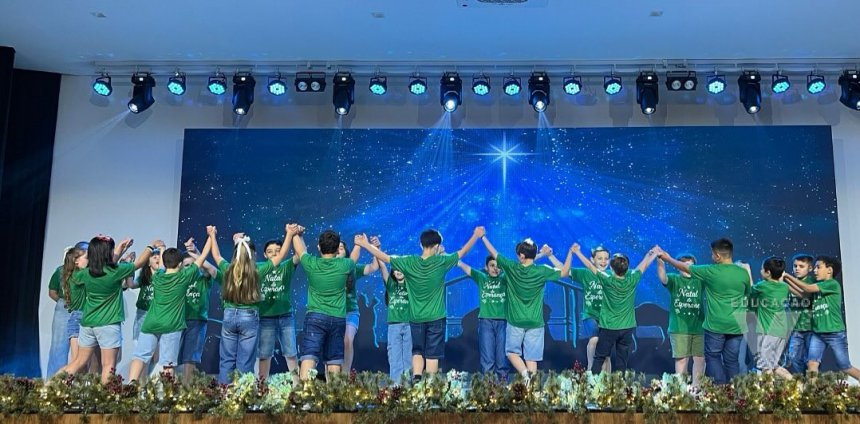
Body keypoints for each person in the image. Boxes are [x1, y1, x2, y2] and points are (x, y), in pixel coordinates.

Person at [354, 226, 484, 379]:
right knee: (432, 355)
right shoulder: (441, 261)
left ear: (421, 245)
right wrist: (476, 235)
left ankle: (416, 378)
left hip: (416, 318)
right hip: (436, 318)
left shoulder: (410, 262)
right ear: (436, 246)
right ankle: (430, 385)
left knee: (417, 351)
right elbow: (463, 252)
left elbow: (385, 258)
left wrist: (365, 244)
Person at [60, 235, 155, 384]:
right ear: (107, 254)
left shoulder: (85, 273)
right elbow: (139, 263)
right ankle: (105, 397)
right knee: (108, 365)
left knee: (78, 362)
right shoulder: (116, 271)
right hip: (108, 324)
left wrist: (121, 248)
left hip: (88, 324)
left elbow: (108, 264)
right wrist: (151, 246)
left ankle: (49, 386)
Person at [211, 224, 294, 384]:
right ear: (253, 254)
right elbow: (282, 255)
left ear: (235, 254)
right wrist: (289, 234)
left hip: (229, 315)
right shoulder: (257, 270)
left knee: (227, 359)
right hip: (249, 317)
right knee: (245, 360)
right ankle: (243, 394)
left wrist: (212, 235)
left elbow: (216, 255)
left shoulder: (228, 268)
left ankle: (224, 392)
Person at [659, 238, 750, 385]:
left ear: (718, 256)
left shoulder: (709, 271)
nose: (711, 256)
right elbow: (747, 293)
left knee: (713, 357)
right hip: (736, 326)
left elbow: (685, 268)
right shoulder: (743, 273)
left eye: (712, 254)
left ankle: (719, 388)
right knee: (732, 361)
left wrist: (667, 258)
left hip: (715, 326)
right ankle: (734, 392)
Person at [482, 235, 572, 380]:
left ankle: (526, 376)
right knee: (531, 358)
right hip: (535, 322)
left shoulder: (512, 268)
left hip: (516, 321)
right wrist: (569, 253)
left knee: (512, 353)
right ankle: (532, 388)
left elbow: (494, 253)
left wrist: (482, 237)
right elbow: (565, 272)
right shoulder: (542, 270)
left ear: (522, 256)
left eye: (519, 255)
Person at [128, 233, 213, 381]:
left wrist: (162, 249)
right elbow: (203, 256)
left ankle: (130, 385)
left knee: (140, 356)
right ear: (180, 264)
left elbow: (162, 266)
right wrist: (211, 236)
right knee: (168, 364)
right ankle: (167, 392)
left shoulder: (157, 276)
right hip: (172, 326)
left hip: (151, 323)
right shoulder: (184, 277)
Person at [574, 244, 660, 374]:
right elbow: (643, 266)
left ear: (611, 268)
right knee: (622, 361)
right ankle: (619, 384)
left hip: (609, 327)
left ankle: (592, 382)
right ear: (627, 268)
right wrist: (651, 254)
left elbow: (590, 267)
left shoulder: (607, 279)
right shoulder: (633, 279)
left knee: (599, 357)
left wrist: (577, 252)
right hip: (627, 328)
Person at [784, 256, 860, 381]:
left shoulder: (832, 284)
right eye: (815, 268)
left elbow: (807, 288)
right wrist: (784, 283)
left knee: (845, 367)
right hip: (818, 334)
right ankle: (812, 391)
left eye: (818, 267)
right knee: (812, 363)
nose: (815, 271)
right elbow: (802, 294)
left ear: (829, 270)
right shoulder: (818, 286)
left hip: (834, 333)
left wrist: (787, 276)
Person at [292, 228, 355, 381]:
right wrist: (359, 244)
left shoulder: (311, 263)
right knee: (334, 360)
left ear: (319, 247)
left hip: (315, 318)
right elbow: (355, 256)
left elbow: (300, 250)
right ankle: (334, 394)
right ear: (337, 249)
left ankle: (304, 394)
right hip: (338, 319)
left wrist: (296, 234)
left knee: (309, 356)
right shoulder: (346, 264)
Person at [457, 255, 509, 380]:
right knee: (487, 358)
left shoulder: (505, 278)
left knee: (502, 357)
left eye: (498, 266)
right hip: (485, 322)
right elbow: (465, 267)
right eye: (492, 266)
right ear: (486, 267)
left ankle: (503, 385)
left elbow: (520, 268)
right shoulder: (482, 277)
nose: (495, 269)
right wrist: (446, 255)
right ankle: (489, 386)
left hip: (503, 322)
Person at [256, 238, 302, 380]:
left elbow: (300, 254)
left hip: (285, 316)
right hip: (265, 317)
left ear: (283, 252)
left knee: (291, 353)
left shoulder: (286, 266)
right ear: (265, 255)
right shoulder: (258, 267)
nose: (274, 254)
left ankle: (297, 385)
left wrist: (298, 236)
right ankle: (262, 387)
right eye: (270, 252)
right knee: (264, 355)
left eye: (278, 251)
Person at [657, 254, 706, 385]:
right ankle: (681, 388)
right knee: (682, 359)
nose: (686, 268)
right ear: (678, 267)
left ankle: (697, 388)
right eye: (683, 265)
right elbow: (663, 277)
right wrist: (660, 260)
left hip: (698, 327)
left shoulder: (700, 280)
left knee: (700, 359)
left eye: (690, 265)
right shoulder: (675, 279)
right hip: (679, 328)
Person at [178, 238, 219, 384]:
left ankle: (187, 388)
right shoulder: (179, 279)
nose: (191, 268)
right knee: (172, 355)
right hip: (177, 320)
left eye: (193, 264)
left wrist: (196, 252)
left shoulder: (204, 278)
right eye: (186, 266)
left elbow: (209, 269)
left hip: (197, 320)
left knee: (190, 356)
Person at [750, 256, 792, 379]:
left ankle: (769, 391)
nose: (760, 271)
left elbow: (750, 288)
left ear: (768, 272)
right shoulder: (785, 287)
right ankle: (797, 384)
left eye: (762, 269)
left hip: (769, 332)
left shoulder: (763, 286)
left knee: (765, 367)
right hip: (781, 332)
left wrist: (747, 271)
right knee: (774, 366)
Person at [783, 254, 815, 374]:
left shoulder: (812, 282)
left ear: (810, 268)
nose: (797, 269)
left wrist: (786, 280)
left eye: (801, 266)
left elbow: (804, 293)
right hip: (796, 328)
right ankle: (804, 378)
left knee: (812, 360)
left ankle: (813, 381)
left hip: (811, 328)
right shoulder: (789, 283)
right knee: (793, 357)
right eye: (795, 266)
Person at [380, 262, 411, 383]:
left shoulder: (411, 285)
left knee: (408, 357)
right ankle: (396, 387)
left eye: (400, 269)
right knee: (394, 356)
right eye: (395, 270)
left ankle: (408, 386)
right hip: (394, 326)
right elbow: (383, 267)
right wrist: (377, 252)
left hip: (409, 325)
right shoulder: (391, 285)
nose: (398, 272)